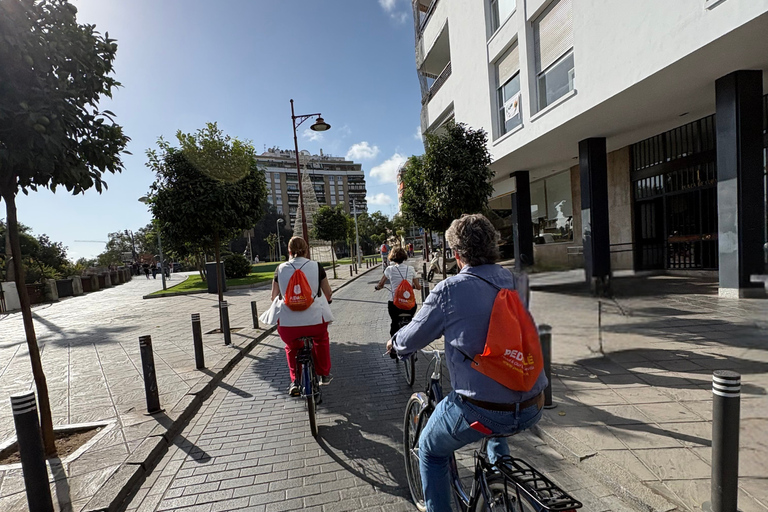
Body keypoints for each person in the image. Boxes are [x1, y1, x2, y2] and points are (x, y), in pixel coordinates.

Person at [386, 214, 546, 512]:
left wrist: (395, 344)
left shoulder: (449, 290)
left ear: (457, 254)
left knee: (431, 451)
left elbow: (412, 337)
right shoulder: (517, 281)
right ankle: (500, 485)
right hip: (533, 401)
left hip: (482, 408)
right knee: (498, 426)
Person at [271, 237, 334, 397]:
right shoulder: (316, 266)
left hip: (287, 325)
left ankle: (295, 381)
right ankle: (324, 373)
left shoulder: (280, 269)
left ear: (289, 251)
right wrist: (327, 301)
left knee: (292, 347)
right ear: (306, 250)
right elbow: (327, 293)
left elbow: (273, 297)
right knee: (321, 340)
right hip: (314, 322)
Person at [374, 247, 422, 336]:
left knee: (394, 322)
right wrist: (414, 286)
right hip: (409, 304)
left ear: (392, 257)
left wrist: (378, 287)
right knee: (411, 321)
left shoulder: (389, 269)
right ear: (404, 256)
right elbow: (418, 287)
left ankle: (393, 345)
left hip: (394, 303)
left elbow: (381, 284)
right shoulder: (410, 269)